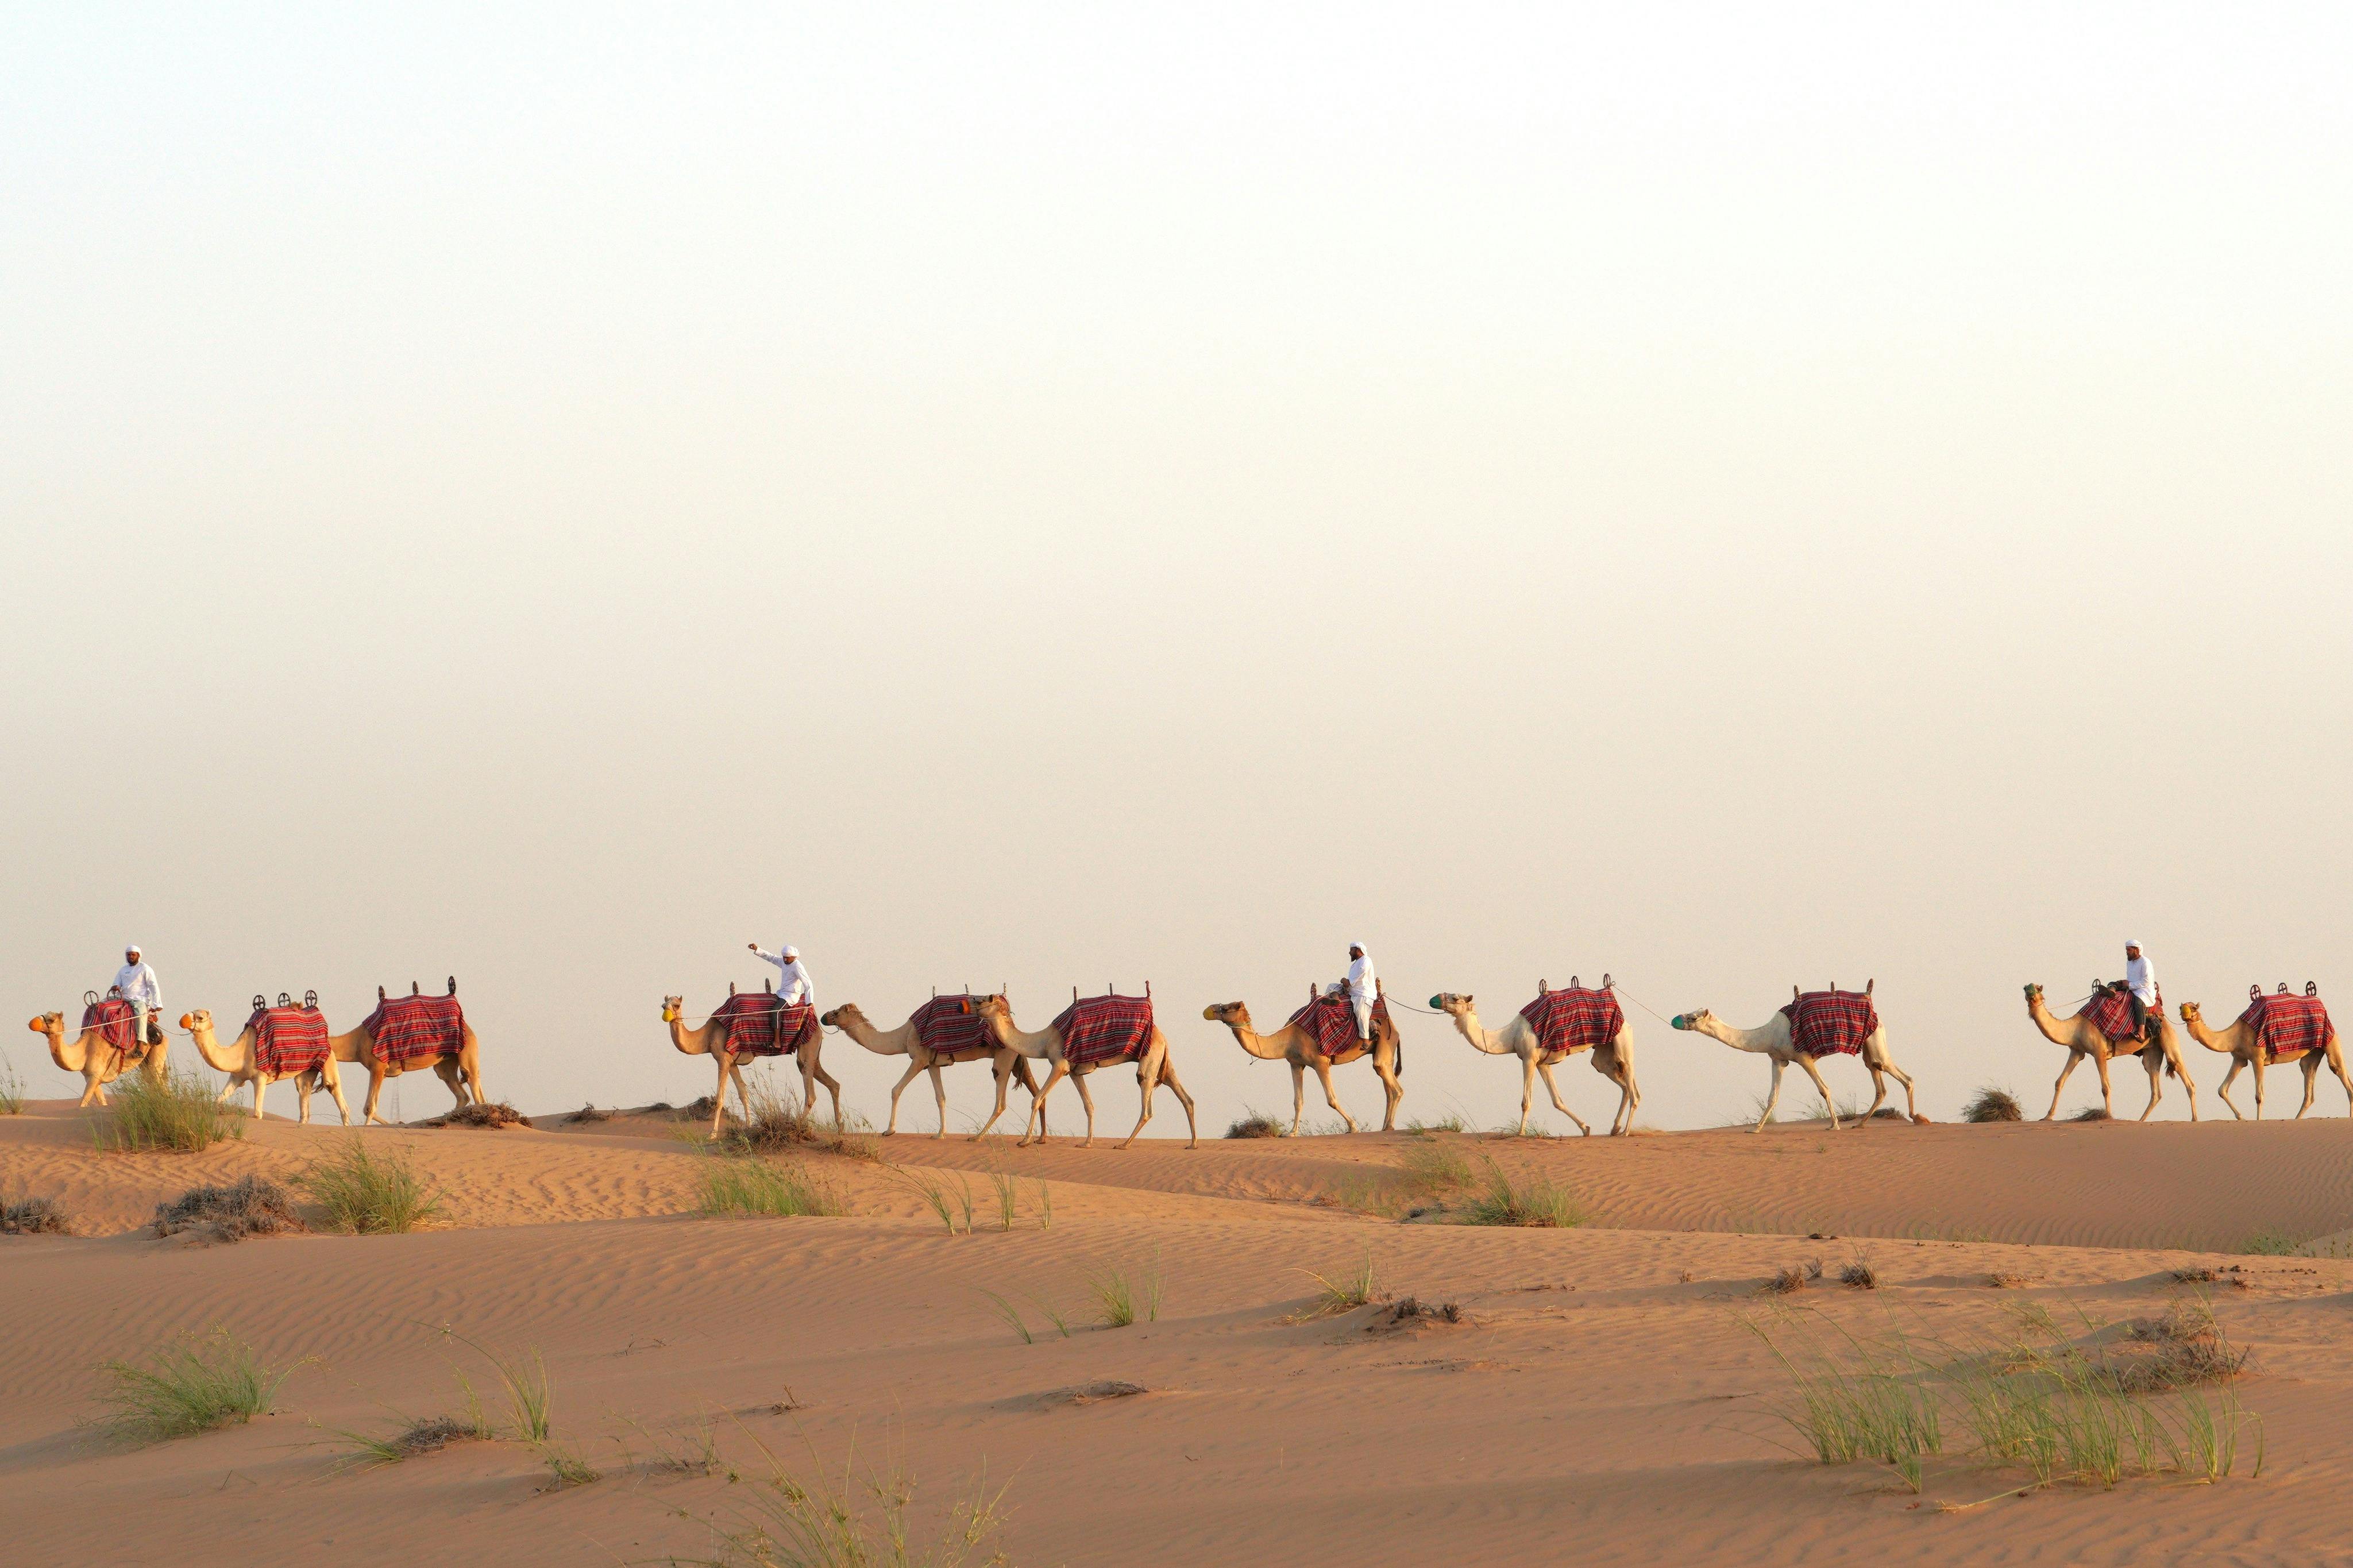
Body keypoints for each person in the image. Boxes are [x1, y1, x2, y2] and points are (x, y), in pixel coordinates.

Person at [112, 943, 163, 1056]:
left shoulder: (145, 968)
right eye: (129, 955)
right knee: (101, 1006)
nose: (131, 957)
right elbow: (116, 983)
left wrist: (157, 1003)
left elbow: (153, 986)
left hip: (139, 999)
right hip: (123, 998)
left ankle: (140, 1048)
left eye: (133, 955)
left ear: (138, 955)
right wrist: (115, 987)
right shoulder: (123, 970)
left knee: (140, 1017)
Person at [1327, 941, 1377, 1043]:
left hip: (1362, 993)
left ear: (1358, 950)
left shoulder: (1366, 961)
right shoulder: (1356, 964)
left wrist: (1343, 980)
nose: (1350, 953)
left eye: (1351, 950)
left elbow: (1349, 982)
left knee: (1360, 1012)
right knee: (1331, 986)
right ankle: (1335, 999)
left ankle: (1365, 1039)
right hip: (1353, 990)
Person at [747, 940, 813, 1010]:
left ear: (793, 957)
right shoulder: (784, 962)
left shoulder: (797, 966)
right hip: (781, 993)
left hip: (790, 996)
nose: (785, 959)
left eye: (787, 958)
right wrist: (757, 949)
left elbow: (808, 983)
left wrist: (810, 1002)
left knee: (775, 1011)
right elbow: (771, 958)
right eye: (784, 957)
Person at [2122, 938, 2158, 1042]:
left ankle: (2141, 1033)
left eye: (2129, 950)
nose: (2127, 953)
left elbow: (2146, 981)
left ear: (2136, 950)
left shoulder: (2145, 962)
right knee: (2116, 987)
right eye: (2127, 950)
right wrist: (2125, 984)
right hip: (2132, 988)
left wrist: (2130, 985)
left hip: (2144, 991)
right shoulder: (2130, 963)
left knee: (2138, 1003)